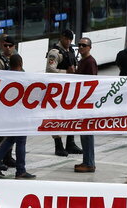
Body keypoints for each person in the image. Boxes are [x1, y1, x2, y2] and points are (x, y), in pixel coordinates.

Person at [47, 29, 80, 157]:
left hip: (69, 89)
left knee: (71, 115)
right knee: (56, 117)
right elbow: (50, 70)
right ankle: (58, 145)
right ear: (61, 37)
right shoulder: (55, 53)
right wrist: (67, 72)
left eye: (70, 40)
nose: (68, 42)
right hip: (57, 91)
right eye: (67, 39)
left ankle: (70, 143)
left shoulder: (70, 50)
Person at [0, 35, 16, 168]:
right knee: (0, 131)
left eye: (10, 46)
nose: (7, 48)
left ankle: (7, 156)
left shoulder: (15, 60)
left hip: (12, 102)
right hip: (0, 101)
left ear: (14, 47)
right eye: (5, 45)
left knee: (10, 129)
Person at [73, 38, 99, 172]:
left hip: (87, 103)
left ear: (89, 47)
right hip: (81, 102)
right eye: (79, 45)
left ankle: (89, 163)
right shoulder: (82, 61)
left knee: (87, 133)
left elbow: (91, 83)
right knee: (83, 133)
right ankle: (86, 161)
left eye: (84, 45)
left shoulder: (90, 62)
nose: (81, 47)